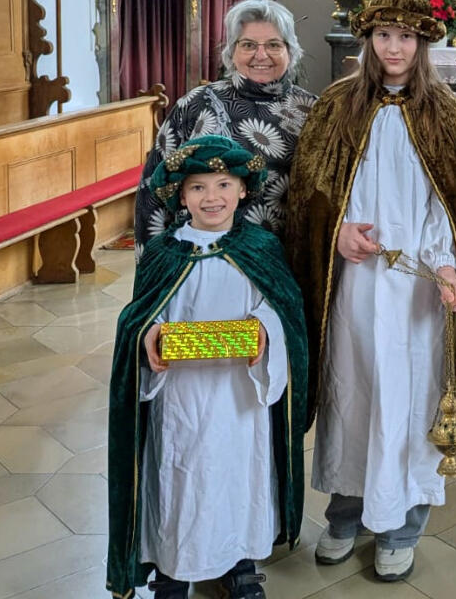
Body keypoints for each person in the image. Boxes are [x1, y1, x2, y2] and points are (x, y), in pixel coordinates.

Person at [285, 0, 456, 582]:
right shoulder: (336, 103)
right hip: (355, 284)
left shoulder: (443, 110)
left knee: (412, 396)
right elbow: (309, 192)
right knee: (356, 390)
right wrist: (336, 232)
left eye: (407, 37)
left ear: (423, 43)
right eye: (384, 35)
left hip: (415, 284)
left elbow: (449, 200)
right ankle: (345, 513)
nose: (395, 47)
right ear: (369, 40)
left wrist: (445, 262)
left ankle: (402, 525)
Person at [107, 135, 308, 599]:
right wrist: (150, 334)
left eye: (223, 184)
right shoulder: (164, 253)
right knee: (179, 478)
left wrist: (262, 330)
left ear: (243, 190)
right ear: (181, 196)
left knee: (239, 477)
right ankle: (174, 569)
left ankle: (239, 563)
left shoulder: (260, 247)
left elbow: (281, 310)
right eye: (197, 187)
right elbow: (142, 316)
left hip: (240, 398)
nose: (211, 197)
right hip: (180, 398)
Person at [135, 0, 316, 255]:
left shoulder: (313, 111)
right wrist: (155, 265)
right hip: (202, 257)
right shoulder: (196, 104)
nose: (261, 55)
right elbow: (153, 190)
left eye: (274, 45)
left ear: (291, 51)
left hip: (288, 259)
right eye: (248, 45)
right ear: (231, 52)